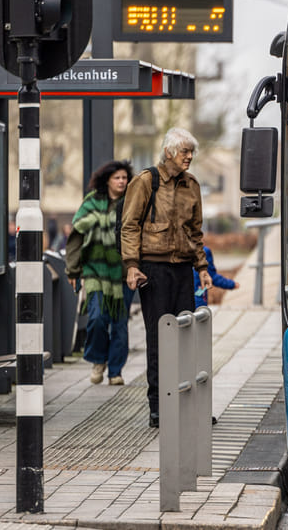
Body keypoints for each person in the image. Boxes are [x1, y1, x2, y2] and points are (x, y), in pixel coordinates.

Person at [121, 127, 212, 428]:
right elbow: (130, 226)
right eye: (185, 151)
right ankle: (158, 406)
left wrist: (202, 268)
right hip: (155, 270)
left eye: (191, 152)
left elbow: (195, 232)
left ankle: (189, 404)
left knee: (187, 338)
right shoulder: (146, 181)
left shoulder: (191, 184)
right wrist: (132, 265)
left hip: (183, 270)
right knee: (159, 339)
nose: (189, 156)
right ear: (170, 152)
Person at [65, 160, 135, 386]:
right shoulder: (92, 202)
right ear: (107, 180)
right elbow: (76, 236)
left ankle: (115, 371)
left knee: (120, 324)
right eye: (117, 177)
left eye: (125, 177)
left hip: (124, 273)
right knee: (96, 318)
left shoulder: (133, 203)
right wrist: (73, 269)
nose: (122, 181)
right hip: (95, 271)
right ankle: (98, 359)